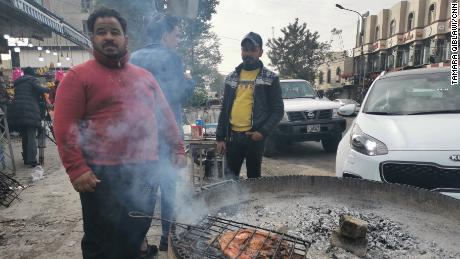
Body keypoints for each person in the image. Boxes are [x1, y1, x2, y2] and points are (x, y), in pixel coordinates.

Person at [53, 8, 185, 259]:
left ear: (126, 38)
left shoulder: (144, 77)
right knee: (102, 241)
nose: (109, 37)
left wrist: (177, 148)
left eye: (115, 32)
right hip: (102, 175)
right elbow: (64, 126)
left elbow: (166, 118)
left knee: (136, 233)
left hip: (145, 171)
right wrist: (76, 168)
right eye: (101, 32)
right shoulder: (77, 77)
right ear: (91, 37)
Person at [131, 14, 195, 252]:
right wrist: (190, 82)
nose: (178, 40)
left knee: (143, 190)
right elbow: (177, 94)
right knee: (168, 188)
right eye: (176, 35)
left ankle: (140, 241)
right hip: (167, 137)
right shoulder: (171, 57)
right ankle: (166, 238)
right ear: (165, 33)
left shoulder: (134, 57)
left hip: (140, 138)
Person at [216, 32, 284, 179]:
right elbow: (225, 109)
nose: (248, 53)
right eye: (245, 49)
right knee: (229, 181)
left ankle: (253, 203)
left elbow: (278, 111)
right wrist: (220, 138)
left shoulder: (270, 78)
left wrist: (262, 132)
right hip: (232, 138)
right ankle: (232, 203)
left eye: (253, 50)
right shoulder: (231, 78)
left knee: (254, 180)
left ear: (260, 52)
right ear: (241, 52)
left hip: (254, 138)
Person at [7, 67, 50, 167]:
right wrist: (49, 89)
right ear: (32, 73)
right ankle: (31, 160)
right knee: (31, 135)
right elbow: (41, 90)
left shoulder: (18, 82)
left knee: (25, 135)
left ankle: (26, 158)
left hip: (17, 111)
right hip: (29, 111)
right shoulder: (32, 80)